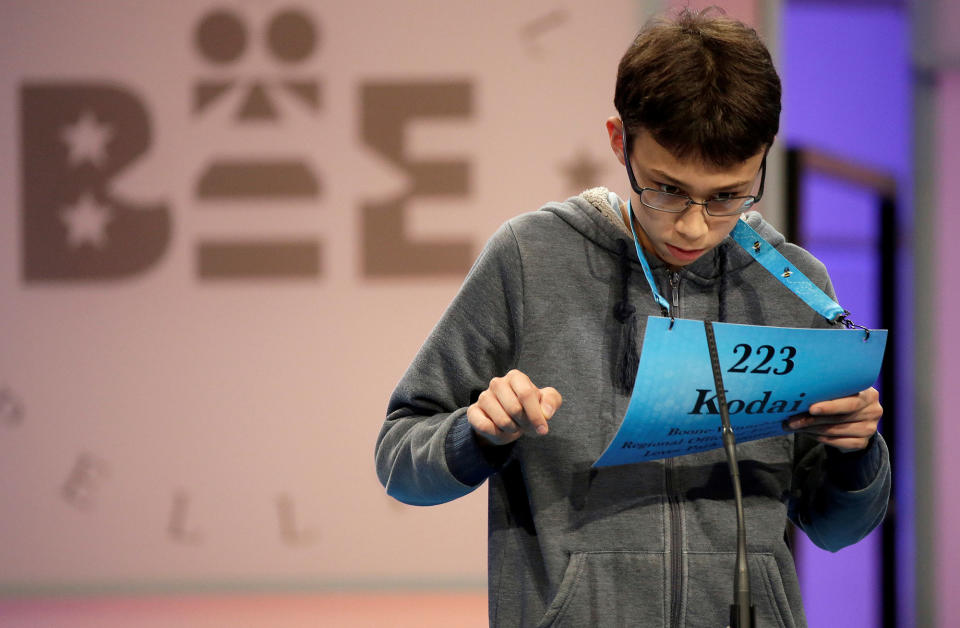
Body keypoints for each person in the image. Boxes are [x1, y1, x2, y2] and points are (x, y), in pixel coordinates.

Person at [375, 8, 890, 627]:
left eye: (728, 195)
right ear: (620, 142)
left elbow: (837, 529)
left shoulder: (795, 287)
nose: (695, 225)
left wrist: (855, 451)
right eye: (667, 188)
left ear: (762, 160)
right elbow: (401, 461)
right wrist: (476, 433)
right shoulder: (530, 259)